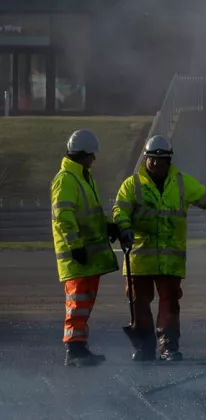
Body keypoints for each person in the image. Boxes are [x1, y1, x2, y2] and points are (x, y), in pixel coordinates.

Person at [112, 135, 206, 361]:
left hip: (170, 258)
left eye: (160, 160)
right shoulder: (132, 185)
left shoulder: (182, 183)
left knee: (169, 301)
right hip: (141, 257)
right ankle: (144, 345)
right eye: (152, 160)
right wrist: (124, 227)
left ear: (169, 161)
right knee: (138, 300)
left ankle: (168, 345)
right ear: (146, 159)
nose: (155, 165)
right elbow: (120, 210)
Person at [52, 129, 128, 367]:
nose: (94, 159)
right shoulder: (66, 179)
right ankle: (74, 350)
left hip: (88, 257)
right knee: (77, 303)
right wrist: (75, 245)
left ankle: (79, 347)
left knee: (84, 303)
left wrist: (109, 226)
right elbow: (63, 216)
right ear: (82, 154)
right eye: (91, 155)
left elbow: (92, 213)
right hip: (78, 256)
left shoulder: (84, 178)